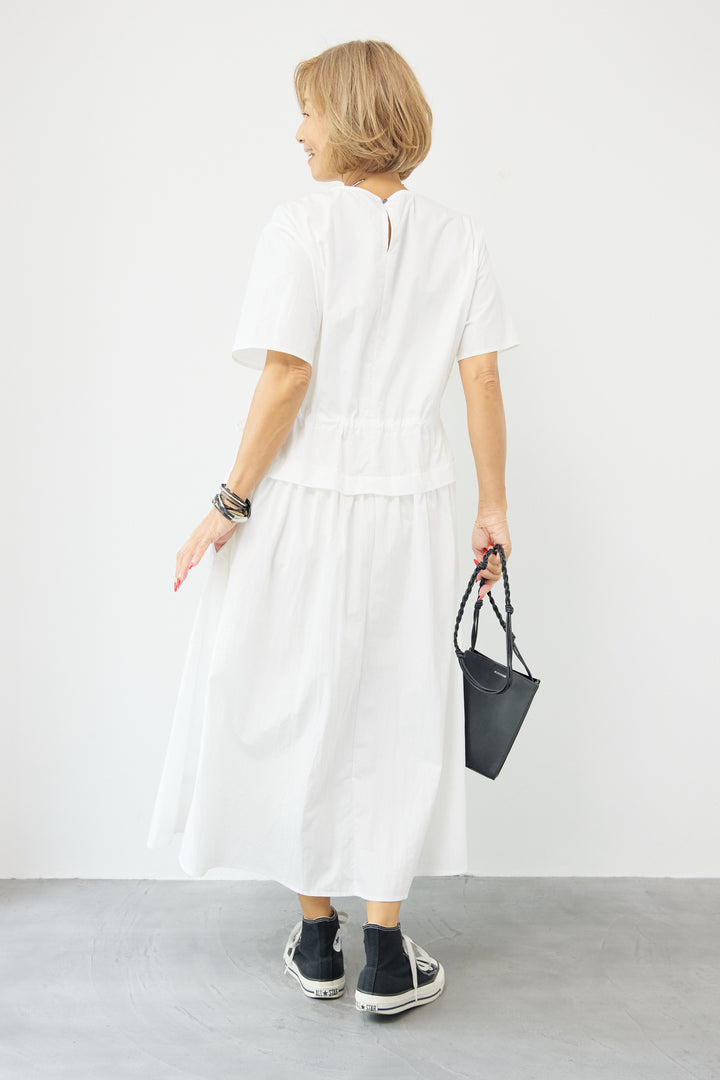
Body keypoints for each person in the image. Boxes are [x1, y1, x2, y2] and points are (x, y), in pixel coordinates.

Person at [146, 38, 519, 1016]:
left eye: (309, 110)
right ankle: (386, 953)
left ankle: (319, 939)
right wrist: (492, 509)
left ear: (351, 118)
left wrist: (228, 502)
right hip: (413, 503)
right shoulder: (459, 237)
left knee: (298, 698)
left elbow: (287, 375)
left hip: (303, 500)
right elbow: (481, 378)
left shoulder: (300, 226)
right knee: (400, 711)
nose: (299, 130)